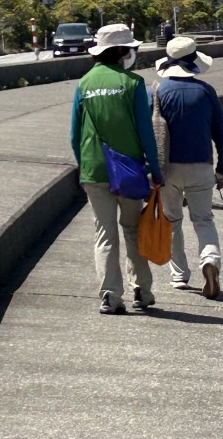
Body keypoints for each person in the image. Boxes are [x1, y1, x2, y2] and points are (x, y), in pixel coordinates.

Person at [70, 23, 163, 314]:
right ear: (122, 51)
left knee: (104, 233)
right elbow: (146, 133)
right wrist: (155, 169)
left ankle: (110, 296)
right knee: (132, 229)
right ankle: (142, 291)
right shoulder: (133, 83)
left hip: (94, 169)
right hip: (129, 171)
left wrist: (85, 165)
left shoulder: (84, 84)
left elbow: (74, 134)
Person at [153, 37, 223, 300]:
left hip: (168, 169)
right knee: (203, 219)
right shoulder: (206, 92)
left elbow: (147, 133)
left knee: (172, 221)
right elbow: (222, 134)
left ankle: (179, 275)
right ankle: (210, 261)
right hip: (201, 166)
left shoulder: (157, 92)